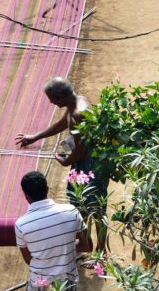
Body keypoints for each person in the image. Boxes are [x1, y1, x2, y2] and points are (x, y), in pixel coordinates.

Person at [15, 77, 109, 252]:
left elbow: (81, 151)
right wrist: (35, 136)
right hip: (85, 162)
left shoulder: (79, 114)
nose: (50, 102)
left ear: (61, 96)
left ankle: (102, 253)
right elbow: (62, 124)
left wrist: (64, 160)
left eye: (51, 98)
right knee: (79, 203)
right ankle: (85, 243)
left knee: (96, 210)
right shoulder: (75, 103)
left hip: (91, 165)